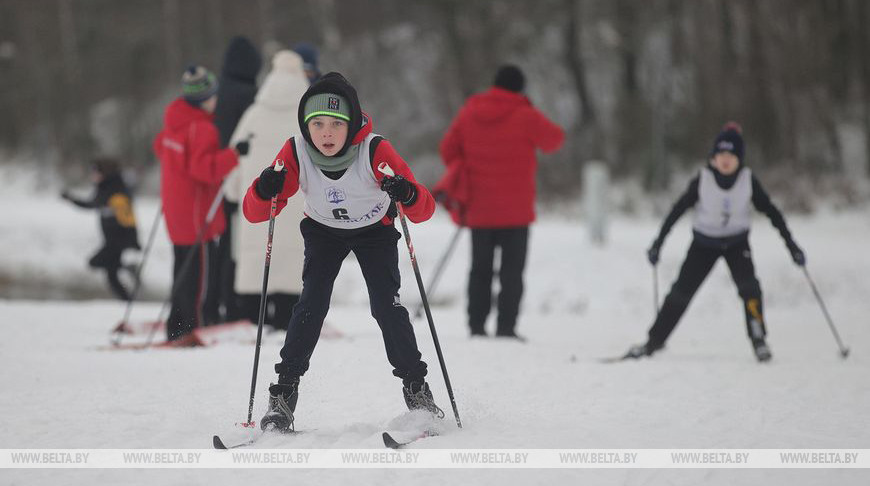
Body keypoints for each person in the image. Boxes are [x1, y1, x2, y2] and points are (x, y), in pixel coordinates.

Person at [242, 72, 440, 432]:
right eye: (317, 124)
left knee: (386, 306)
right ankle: (283, 396)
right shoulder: (296, 150)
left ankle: (418, 393)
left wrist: (406, 193)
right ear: (306, 125)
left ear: (352, 124)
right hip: (323, 232)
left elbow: (424, 209)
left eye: (336, 123)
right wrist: (262, 188)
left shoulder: (375, 149)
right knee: (310, 305)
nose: (326, 133)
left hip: (374, 232)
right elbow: (256, 213)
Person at [624, 122, 806, 362]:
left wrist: (791, 246)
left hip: (736, 244)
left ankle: (758, 338)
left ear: (739, 158)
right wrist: (659, 242)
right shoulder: (703, 180)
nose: (726, 159)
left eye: (731, 154)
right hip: (704, 244)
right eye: (721, 154)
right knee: (680, 292)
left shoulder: (748, 181)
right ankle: (653, 342)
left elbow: (773, 214)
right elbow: (676, 211)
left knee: (750, 289)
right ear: (713, 157)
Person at [439, 64, 564, 340]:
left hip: (480, 210)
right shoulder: (525, 115)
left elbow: (447, 148)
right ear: (520, 87)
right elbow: (555, 140)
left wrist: (465, 166)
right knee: (512, 272)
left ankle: (476, 326)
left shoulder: (470, 111)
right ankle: (506, 327)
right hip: (516, 212)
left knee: (480, 269)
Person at [153, 65, 246, 341]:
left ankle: (176, 325)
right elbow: (203, 170)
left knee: (181, 269)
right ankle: (192, 329)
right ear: (205, 98)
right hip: (196, 216)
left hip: (175, 211)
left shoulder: (173, 122)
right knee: (199, 278)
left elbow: (161, 148)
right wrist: (233, 155)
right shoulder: (203, 128)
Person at [224, 50, 309, 330]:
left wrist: (234, 192)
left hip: (260, 201)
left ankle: (252, 320)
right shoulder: (308, 116)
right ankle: (288, 321)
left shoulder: (255, 114)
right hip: (296, 202)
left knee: (257, 258)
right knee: (293, 261)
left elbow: (235, 156)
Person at [211, 36, 263, 324]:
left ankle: (217, 304)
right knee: (240, 248)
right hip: (242, 179)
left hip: (218, 177)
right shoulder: (251, 97)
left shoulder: (220, 92)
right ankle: (236, 308)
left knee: (222, 247)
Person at [61, 158, 140, 300]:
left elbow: (127, 217)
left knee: (96, 263)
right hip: (111, 239)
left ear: (104, 173)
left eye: (95, 172)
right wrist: (71, 199)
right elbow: (92, 204)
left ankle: (128, 279)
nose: (92, 176)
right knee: (111, 273)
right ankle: (127, 299)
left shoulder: (117, 189)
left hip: (119, 239)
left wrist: (132, 240)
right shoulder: (103, 188)